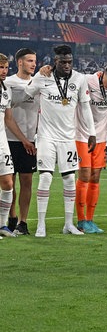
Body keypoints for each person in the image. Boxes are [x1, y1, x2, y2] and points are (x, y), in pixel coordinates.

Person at [25, 44, 96, 237]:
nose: (67, 65)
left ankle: (68, 224)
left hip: (68, 138)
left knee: (70, 179)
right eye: (62, 62)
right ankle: (41, 224)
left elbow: (85, 107)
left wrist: (91, 132)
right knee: (46, 177)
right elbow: (27, 94)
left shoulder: (79, 79)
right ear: (54, 61)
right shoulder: (43, 77)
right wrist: (36, 76)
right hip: (46, 137)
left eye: (69, 62)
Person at [75, 62, 107, 233]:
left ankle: (90, 219)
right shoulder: (86, 80)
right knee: (84, 174)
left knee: (95, 177)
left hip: (101, 137)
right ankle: (81, 220)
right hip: (82, 135)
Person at [0, 54, 36, 237]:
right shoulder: (10, 83)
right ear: (20, 62)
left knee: (18, 182)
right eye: (30, 60)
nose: (4, 71)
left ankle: (15, 222)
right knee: (9, 182)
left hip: (20, 140)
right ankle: (10, 218)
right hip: (10, 140)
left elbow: (9, 118)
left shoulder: (8, 89)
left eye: (5, 67)